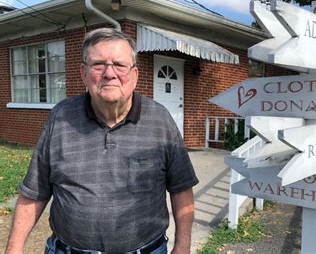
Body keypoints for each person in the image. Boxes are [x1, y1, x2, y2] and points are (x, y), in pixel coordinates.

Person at [6, 28, 199, 253]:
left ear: (135, 75)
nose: (109, 73)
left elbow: (181, 188)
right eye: (98, 64)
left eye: (119, 64)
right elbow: (34, 191)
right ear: (83, 73)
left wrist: (183, 246)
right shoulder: (61, 117)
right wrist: (14, 247)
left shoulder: (160, 120)